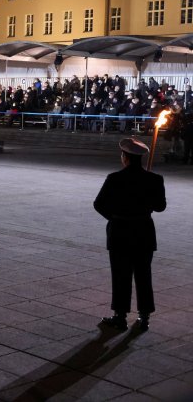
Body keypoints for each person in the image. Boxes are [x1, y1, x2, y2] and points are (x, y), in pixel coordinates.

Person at [94, 138, 166, 331]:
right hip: (143, 230)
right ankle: (144, 317)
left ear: (125, 157)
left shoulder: (115, 178)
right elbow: (160, 207)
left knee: (120, 275)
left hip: (120, 231)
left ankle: (120, 316)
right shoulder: (154, 179)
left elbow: (98, 204)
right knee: (144, 275)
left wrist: (115, 218)